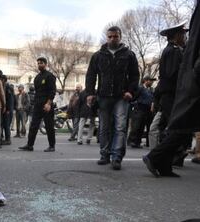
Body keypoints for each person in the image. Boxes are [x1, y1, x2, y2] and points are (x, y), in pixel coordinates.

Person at [143, 14, 200, 177]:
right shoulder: (173, 52)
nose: (185, 37)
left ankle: (164, 164)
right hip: (173, 95)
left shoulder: (173, 51)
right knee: (178, 128)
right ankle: (156, 158)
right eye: (183, 34)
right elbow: (172, 75)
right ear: (176, 36)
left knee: (177, 128)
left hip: (173, 95)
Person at [86, 26, 140, 170]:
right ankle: (104, 155)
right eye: (109, 36)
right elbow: (91, 75)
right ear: (106, 37)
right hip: (103, 97)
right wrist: (90, 93)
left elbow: (135, 75)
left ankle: (117, 157)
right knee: (104, 128)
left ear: (120, 37)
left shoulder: (129, 55)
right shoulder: (98, 55)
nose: (112, 39)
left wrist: (130, 91)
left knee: (120, 127)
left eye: (115, 36)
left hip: (121, 97)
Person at [19, 57, 56, 152]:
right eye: (38, 63)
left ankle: (52, 146)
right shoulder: (37, 78)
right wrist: (34, 105)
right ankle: (29, 145)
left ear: (46, 64)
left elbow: (52, 91)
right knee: (33, 125)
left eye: (41, 63)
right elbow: (37, 92)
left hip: (47, 105)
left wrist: (48, 103)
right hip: (37, 105)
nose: (39, 65)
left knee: (49, 126)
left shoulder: (50, 76)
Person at [128, 76, 155, 148]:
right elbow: (134, 97)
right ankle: (132, 141)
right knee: (136, 125)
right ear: (146, 81)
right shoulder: (140, 88)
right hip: (139, 108)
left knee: (142, 126)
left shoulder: (151, 90)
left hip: (147, 110)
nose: (152, 82)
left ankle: (137, 142)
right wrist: (133, 105)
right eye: (150, 80)